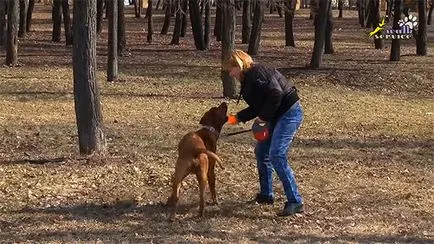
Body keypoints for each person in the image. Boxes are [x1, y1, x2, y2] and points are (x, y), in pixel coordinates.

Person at [223, 49, 304, 216]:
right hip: (276, 115)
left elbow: (276, 93)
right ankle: (266, 195)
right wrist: (234, 118)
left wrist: (262, 118)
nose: (230, 73)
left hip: (289, 112)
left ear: (239, 65)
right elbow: (257, 106)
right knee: (261, 152)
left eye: (231, 69)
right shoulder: (247, 81)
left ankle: (295, 201)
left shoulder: (257, 73)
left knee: (277, 155)